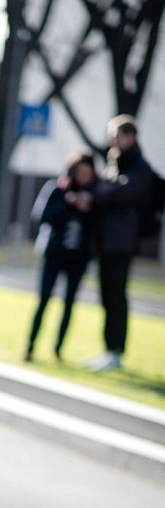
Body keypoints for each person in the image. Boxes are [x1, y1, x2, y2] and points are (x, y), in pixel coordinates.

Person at [86, 115, 152, 372]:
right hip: (106, 241)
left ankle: (117, 351)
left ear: (130, 136)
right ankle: (108, 349)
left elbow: (122, 192)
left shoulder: (139, 166)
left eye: (117, 135)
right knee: (106, 295)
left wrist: (101, 190)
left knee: (117, 295)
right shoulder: (115, 163)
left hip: (122, 242)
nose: (113, 140)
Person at [24, 151, 96, 363]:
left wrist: (89, 207)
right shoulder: (57, 188)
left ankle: (57, 350)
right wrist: (68, 201)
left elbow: (98, 226)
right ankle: (30, 347)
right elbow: (41, 216)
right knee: (44, 300)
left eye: (88, 173)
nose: (84, 177)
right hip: (54, 254)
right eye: (80, 172)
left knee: (69, 304)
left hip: (78, 258)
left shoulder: (94, 195)